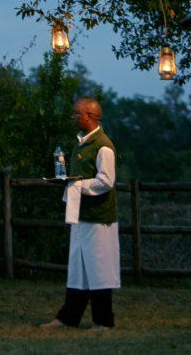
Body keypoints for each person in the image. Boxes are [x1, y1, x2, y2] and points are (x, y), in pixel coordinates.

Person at [41, 97, 119, 331]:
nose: (73, 117)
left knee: (98, 269)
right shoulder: (81, 144)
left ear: (90, 116)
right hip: (81, 216)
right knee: (78, 269)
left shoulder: (103, 146)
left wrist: (77, 186)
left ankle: (103, 321)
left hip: (99, 218)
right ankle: (68, 317)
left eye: (77, 114)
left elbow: (106, 181)